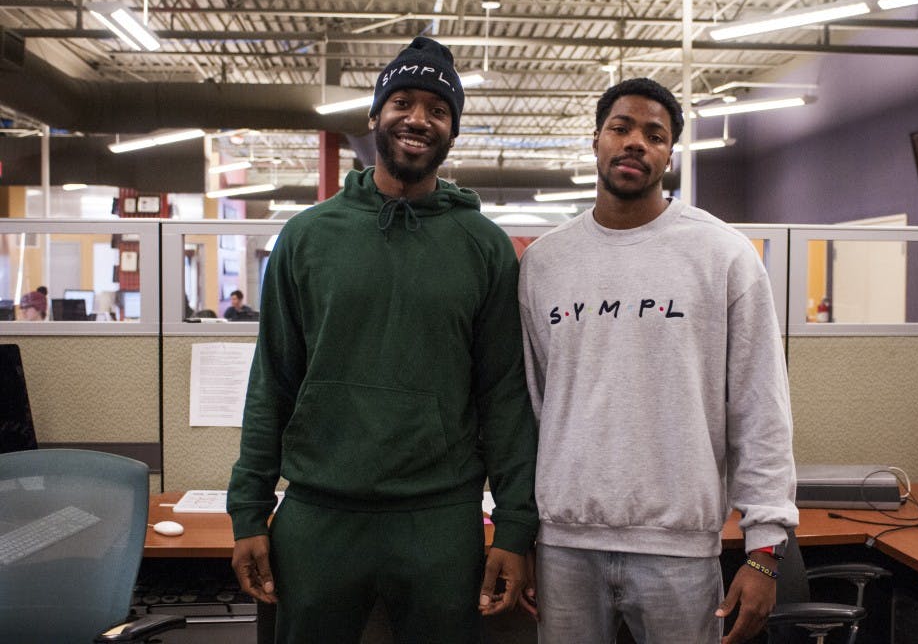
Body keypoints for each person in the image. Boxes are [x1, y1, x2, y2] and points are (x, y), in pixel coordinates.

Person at [227, 36, 538, 643]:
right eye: (402, 102)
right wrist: (248, 509)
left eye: (438, 109)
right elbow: (273, 381)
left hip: (439, 518)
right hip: (319, 513)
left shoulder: (484, 247)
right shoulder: (307, 237)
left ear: (453, 131)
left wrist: (514, 525)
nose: (418, 118)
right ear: (375, 116)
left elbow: (505, 397)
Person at [517, 77, 798, 644]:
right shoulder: (544, 263)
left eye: (655, 135)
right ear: (596, 138)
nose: (636, 143)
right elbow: (533, 406)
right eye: (621, 128)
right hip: (565, 545)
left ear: (670, 154)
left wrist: (765, 550)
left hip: (679, 550)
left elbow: (760, 407)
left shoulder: (723, 255)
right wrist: (521, 531)